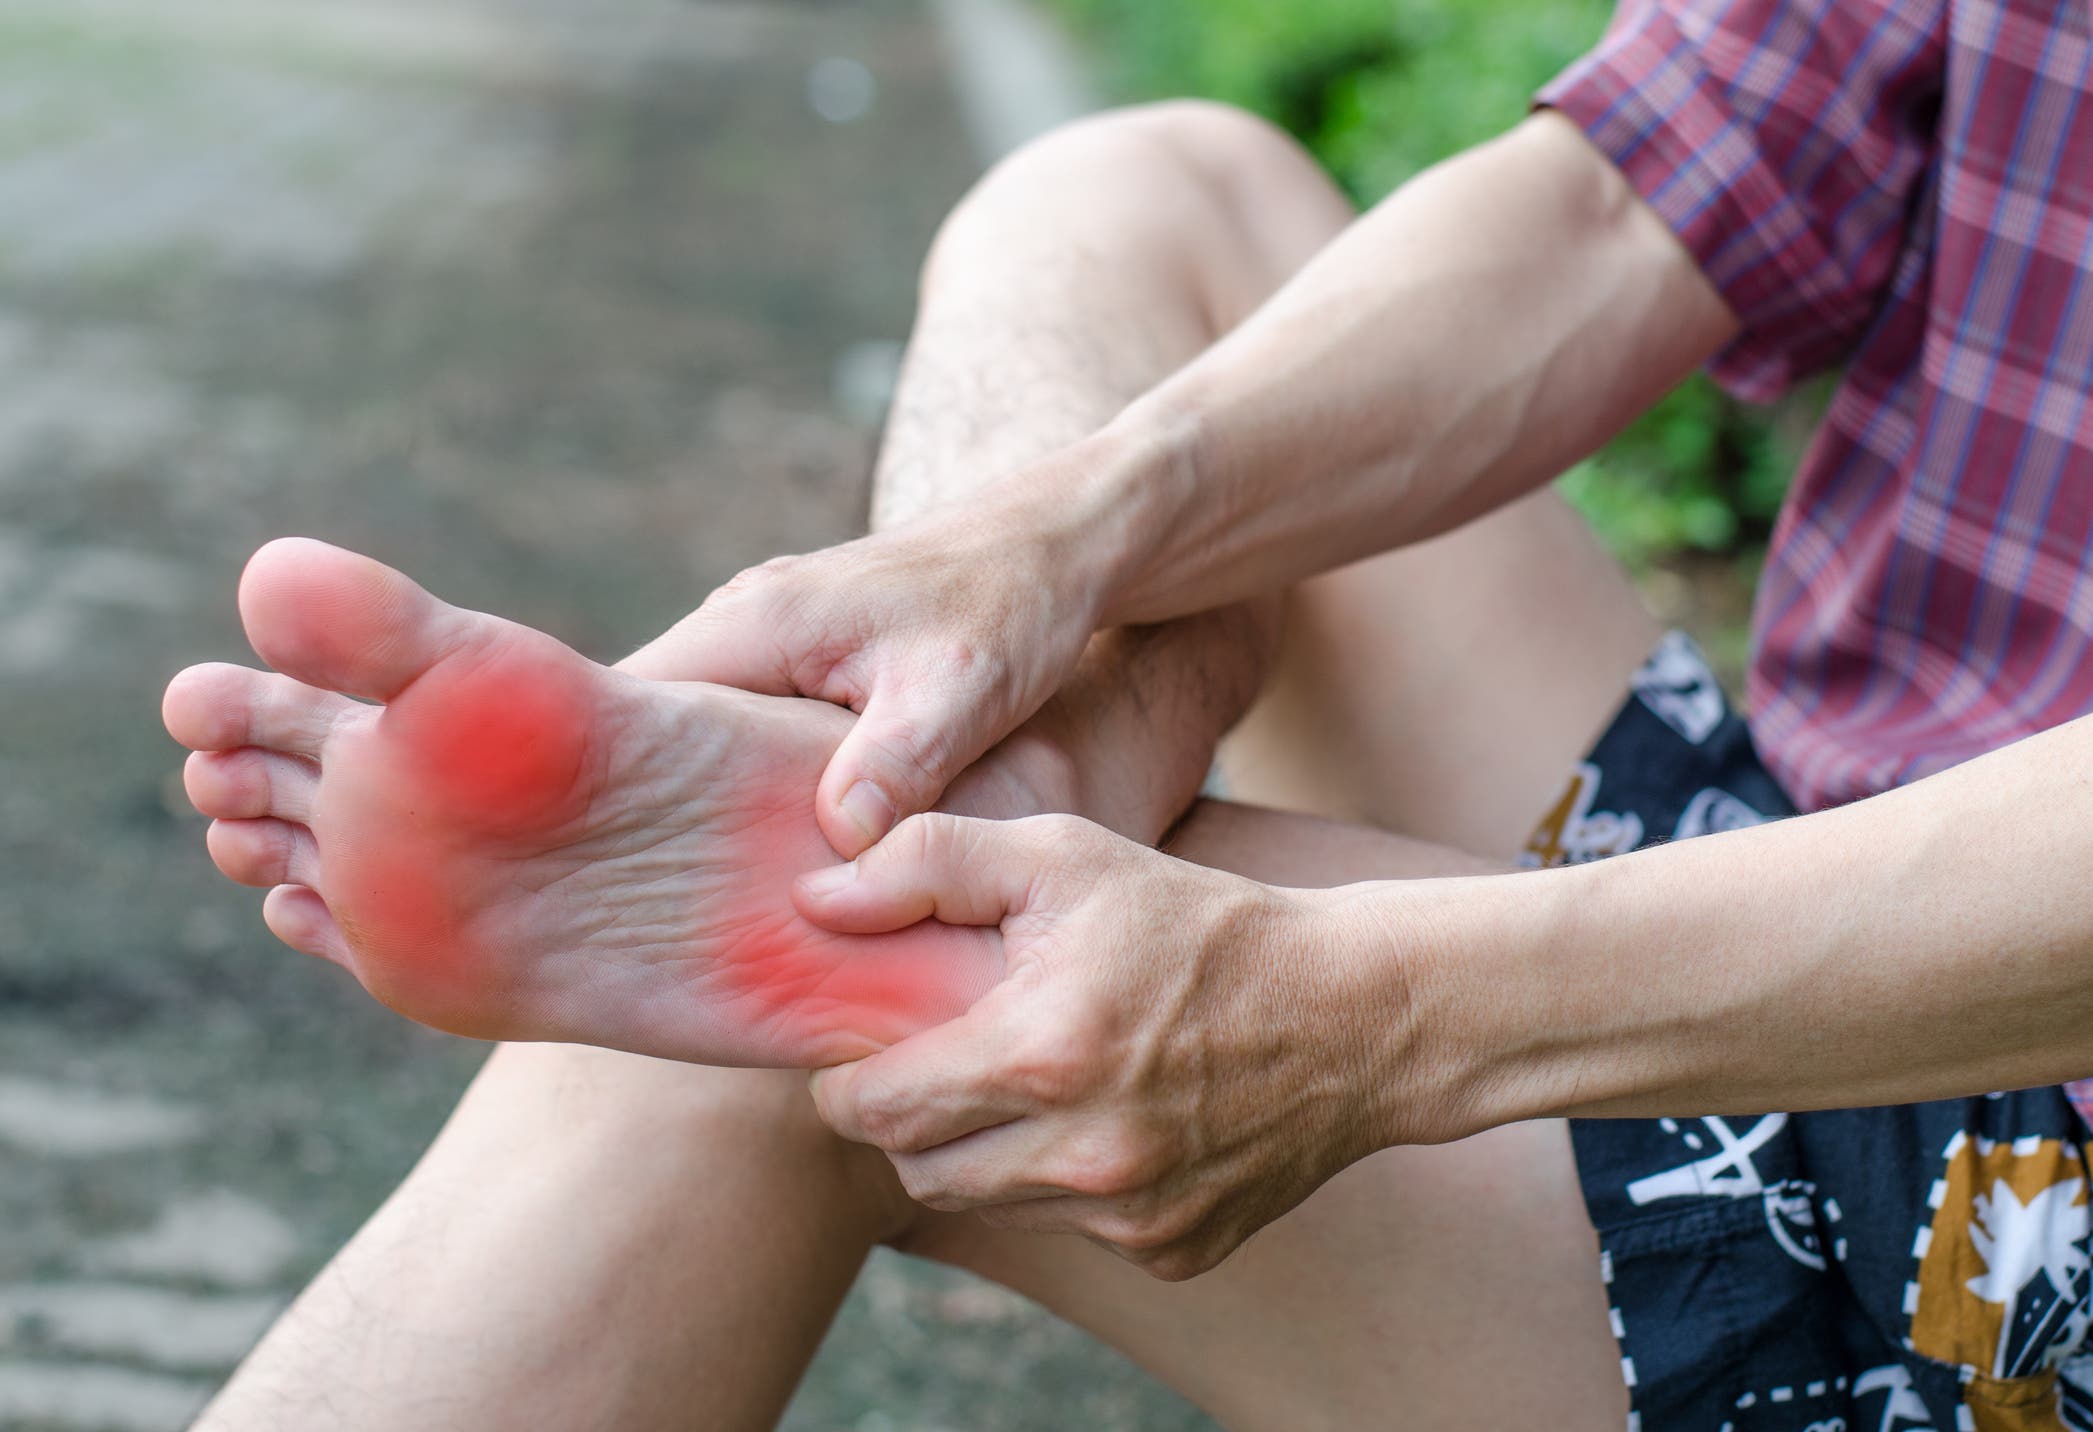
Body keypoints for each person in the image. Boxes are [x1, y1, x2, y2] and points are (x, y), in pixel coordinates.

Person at [159, 0, 2093, 1424]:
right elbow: (1621, 213)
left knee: (801, 1019)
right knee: (1136, 201)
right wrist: (1053, 546)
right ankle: (983, 796)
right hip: (1856, 846)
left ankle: (902, 885)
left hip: (2035, 1220)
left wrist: (1366, 1011)